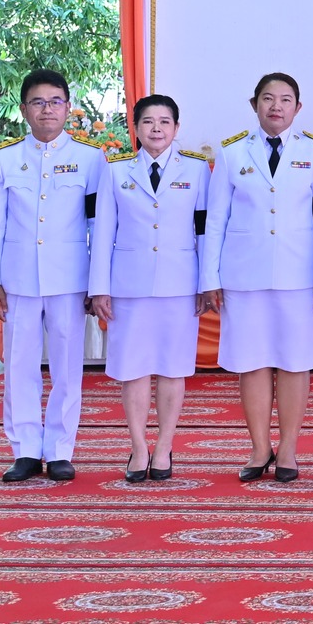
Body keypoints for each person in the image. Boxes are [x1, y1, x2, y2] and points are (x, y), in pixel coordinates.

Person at [200, 72, 313, 483]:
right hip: (244, 275)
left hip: (299, 275)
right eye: (268, 98)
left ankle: (290, 449)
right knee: (252, 363)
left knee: (295, 364)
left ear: (298, 107)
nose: (276, 106)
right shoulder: (231, 154)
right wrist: (210, 276)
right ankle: (260, 448)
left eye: (285, 99)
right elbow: (215, 220)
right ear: (254, 103)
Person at [0, 70, 109, 483]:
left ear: (68, 108)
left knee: (68, 367)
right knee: (19, 367)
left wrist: (98, 282)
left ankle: (59, 450)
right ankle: (23, 450)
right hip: (17, 279)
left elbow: (100, 227)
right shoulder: (6, 158)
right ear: (24, 110)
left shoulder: (91, 159)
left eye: (55, 101)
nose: (47, 109)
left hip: (70, 279)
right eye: (38, 102)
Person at [90, 93, 211, 483]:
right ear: (136, 128)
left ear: (177, 128)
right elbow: (103, 231)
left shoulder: (196, 171)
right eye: (147, 122)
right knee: (134, 370)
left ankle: (165, 446)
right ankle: (139, 446)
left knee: (174, 369)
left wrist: (208, 282)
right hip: (129, 285)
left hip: (180, 285)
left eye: (164, 122)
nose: (156, 129)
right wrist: (99, 288)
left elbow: (204, 231)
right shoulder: (116, 171)